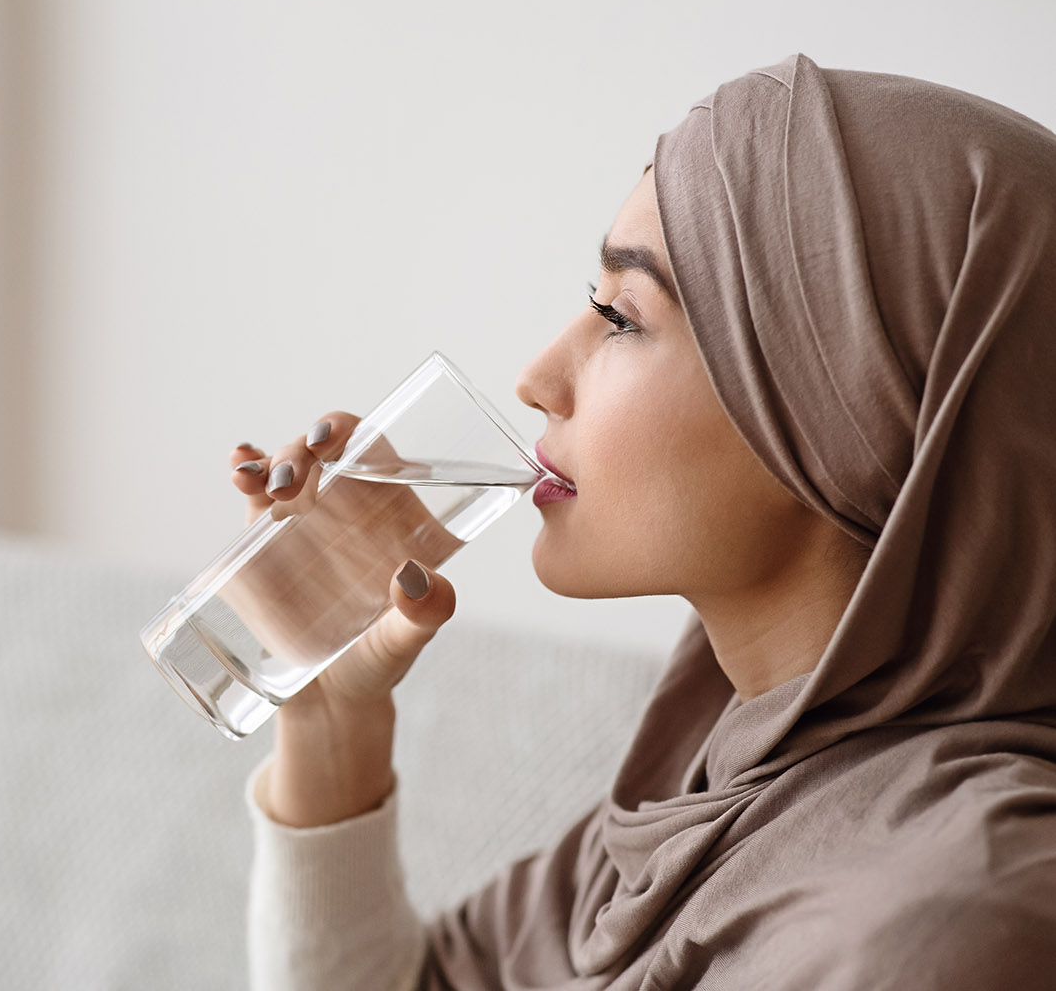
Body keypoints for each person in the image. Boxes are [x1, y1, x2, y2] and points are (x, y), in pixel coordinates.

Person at [231, 53, 1056, 988]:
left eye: (620, 315)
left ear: (847, 413)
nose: (538, 379)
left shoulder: (953, 930)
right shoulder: (702, 794)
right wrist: (333, 727)